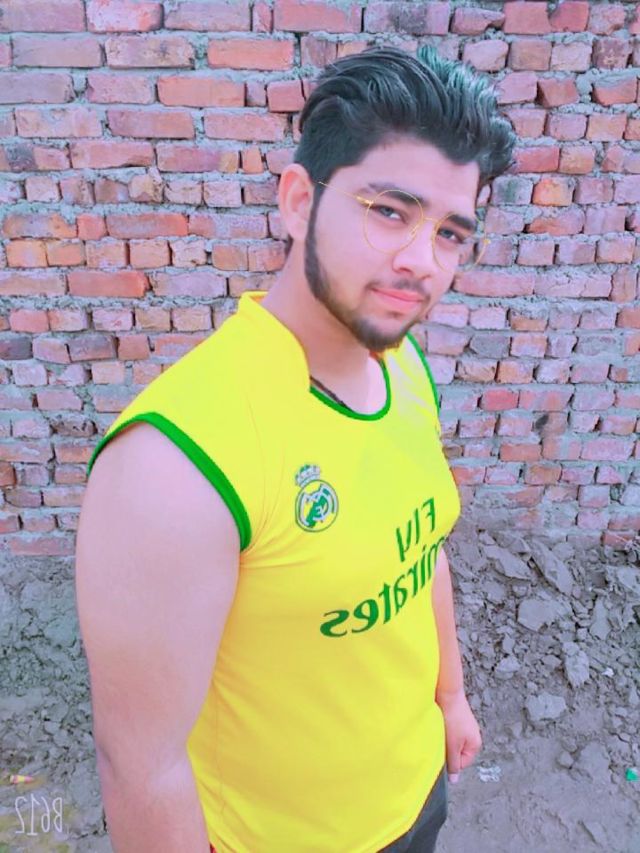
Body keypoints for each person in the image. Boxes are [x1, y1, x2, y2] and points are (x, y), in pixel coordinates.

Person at [75, 44, 516, 853]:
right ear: (298, 200)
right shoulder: (175, 466)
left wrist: (450, 697)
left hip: (415, 793)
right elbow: (143, 767)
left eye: (451, 232)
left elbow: (421, 549)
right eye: (391, 211)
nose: (422, 261)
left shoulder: (405, 369)